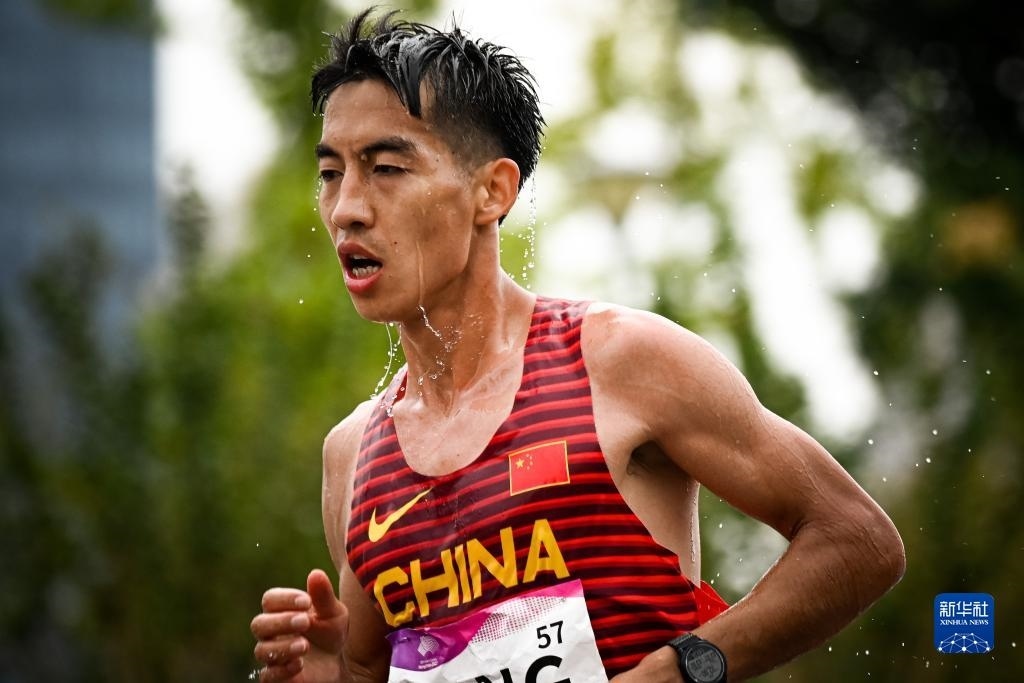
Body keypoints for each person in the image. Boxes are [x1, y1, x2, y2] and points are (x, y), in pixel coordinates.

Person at [250, 8, 905, 683]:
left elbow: (857, 540)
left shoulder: (621, 361)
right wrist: (327, 675)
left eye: (385, 168)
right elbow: (369, 669)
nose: (346, 208)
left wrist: (680, 670)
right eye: (330, 174)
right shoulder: (353, 455)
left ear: (492, 191)